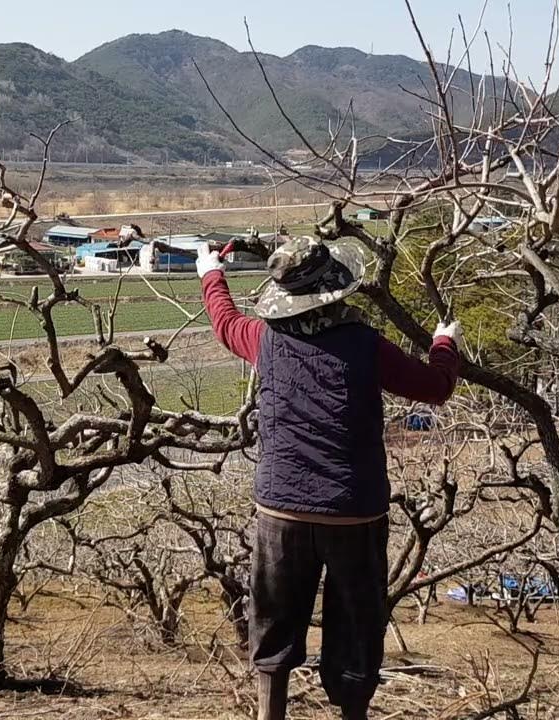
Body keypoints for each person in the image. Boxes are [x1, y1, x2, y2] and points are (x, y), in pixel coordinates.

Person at [196, 237, 461, 720]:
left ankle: (269, 713)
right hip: (354, 512)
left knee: (274, 624)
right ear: (336, 288)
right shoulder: (366, 345)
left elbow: (225, 322)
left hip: (281, 510)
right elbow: (435, 387)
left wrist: (210, 273)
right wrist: (444, 341)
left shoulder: (266, 340)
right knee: (358, 629)